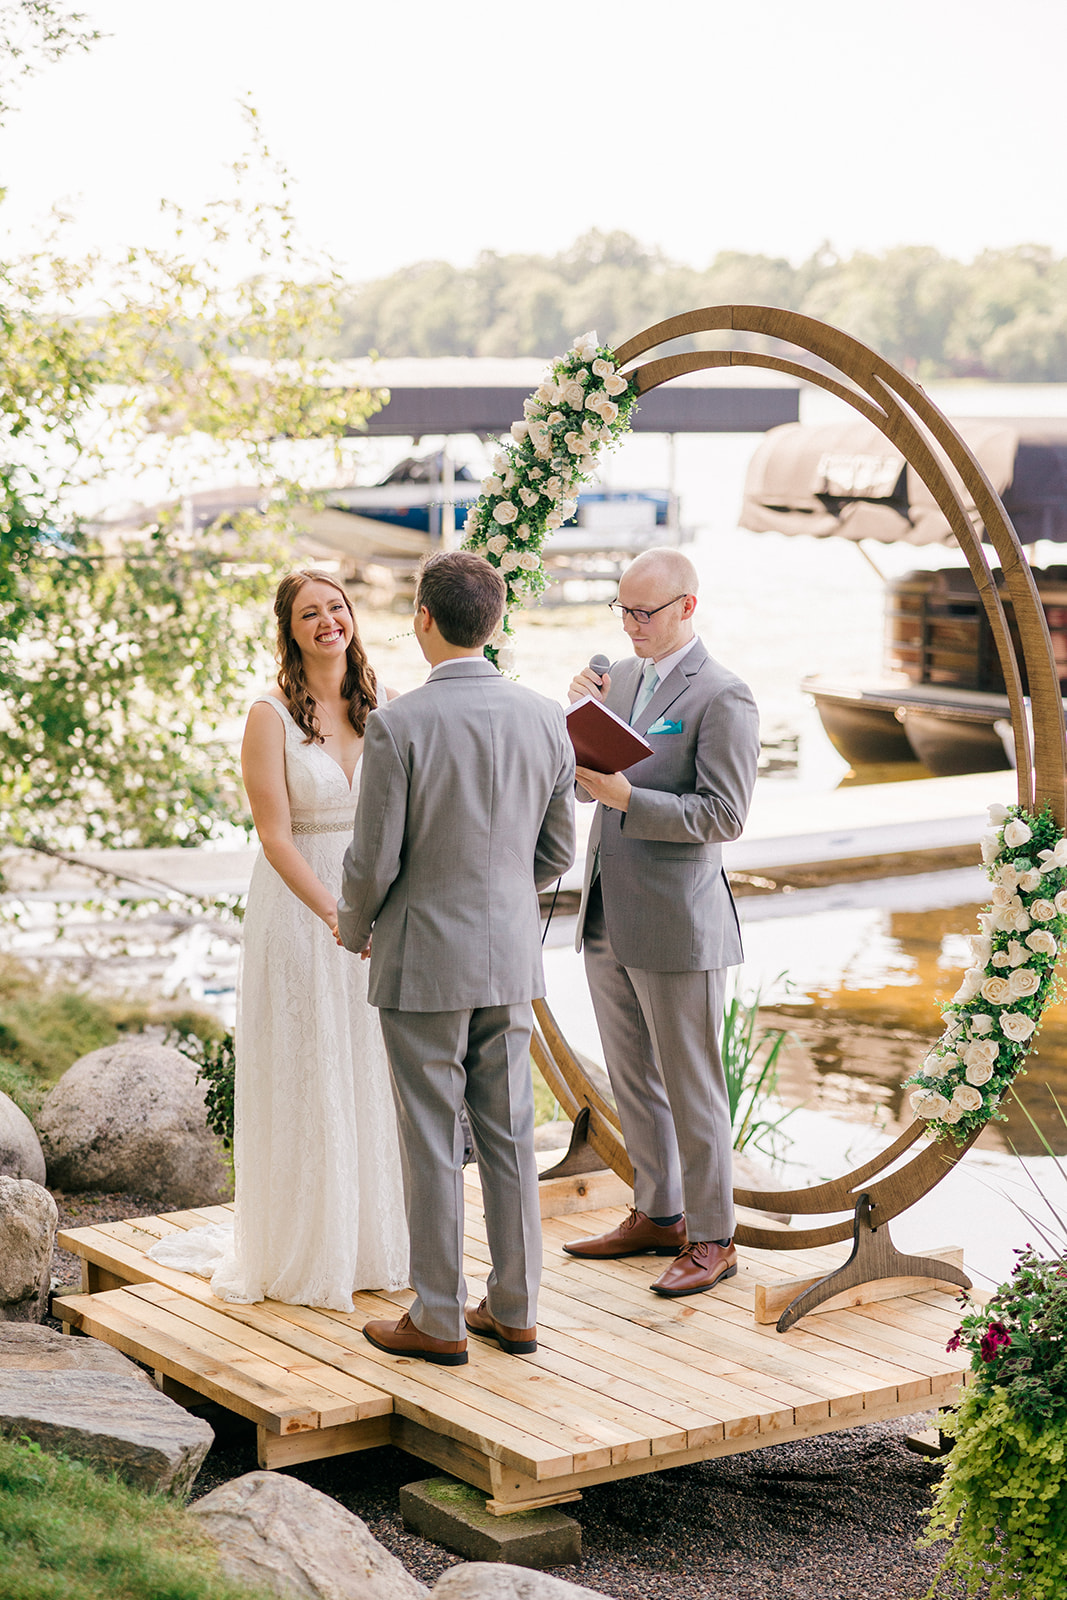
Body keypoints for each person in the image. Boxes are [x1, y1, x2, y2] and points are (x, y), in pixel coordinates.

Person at [337, 550, 575, 1365]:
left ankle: (438, 1317)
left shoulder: (397, 725)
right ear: (497, 621)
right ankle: (515, 1307)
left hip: (422, 958)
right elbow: (555, 851)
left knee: (433, 1138)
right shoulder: (546, 717)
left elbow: (373, 862)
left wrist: (351, 921)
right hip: (508, 955)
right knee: (509, 1134)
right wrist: (501, 892)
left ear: (422, 620)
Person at [148, 569, 408, 1309]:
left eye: (336, 607)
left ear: (352, 616)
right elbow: (274, 836)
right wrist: (334, 913)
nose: (326, 620)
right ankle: (305, 1245)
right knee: (311, 1063)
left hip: (375, 902)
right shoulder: (269, 715)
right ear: (290, 631)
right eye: (308, 613)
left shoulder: (380, 703)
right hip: (301, 908)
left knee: (369, 1064)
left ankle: (371, 1240)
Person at [562, 547, 759, 1297]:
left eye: (644, 612)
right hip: (606, 908)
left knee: (692, 1083)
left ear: (687, 607)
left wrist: (623, 799)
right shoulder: (625, 677)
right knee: (631, 1077)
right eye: (622, 610)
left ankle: (715, 1237)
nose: (631, 624)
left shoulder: (722, 695)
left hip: (679, 923)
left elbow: (724, 816)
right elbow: (585, 787)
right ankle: (657, 1212)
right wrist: (576, 718)